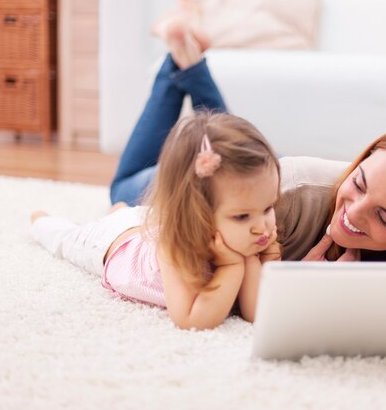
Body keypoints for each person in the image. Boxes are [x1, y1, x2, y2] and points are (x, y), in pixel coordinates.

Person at [109, 21, 386, 337]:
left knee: (240, 156)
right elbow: (197, 265)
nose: (352, 214)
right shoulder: (289, 195)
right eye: (361, 182)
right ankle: (177, 68)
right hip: (209, 186)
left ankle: (191, 65)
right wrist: (292, 285)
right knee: (126, 186)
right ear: (364, 157)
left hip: (262, 173)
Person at [30, 111, 282, 330]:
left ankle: (119, 210)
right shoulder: (175, 246)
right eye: (242, 216)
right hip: (114, 244)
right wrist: (231, 267)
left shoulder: (244, 239)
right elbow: (190, 320)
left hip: (144, 223)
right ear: (196, 213)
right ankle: (41, 220)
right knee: (66, 239)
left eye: (268, 207)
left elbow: (255, 313)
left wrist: (261, 261)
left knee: (128, 214)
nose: (262, 226)